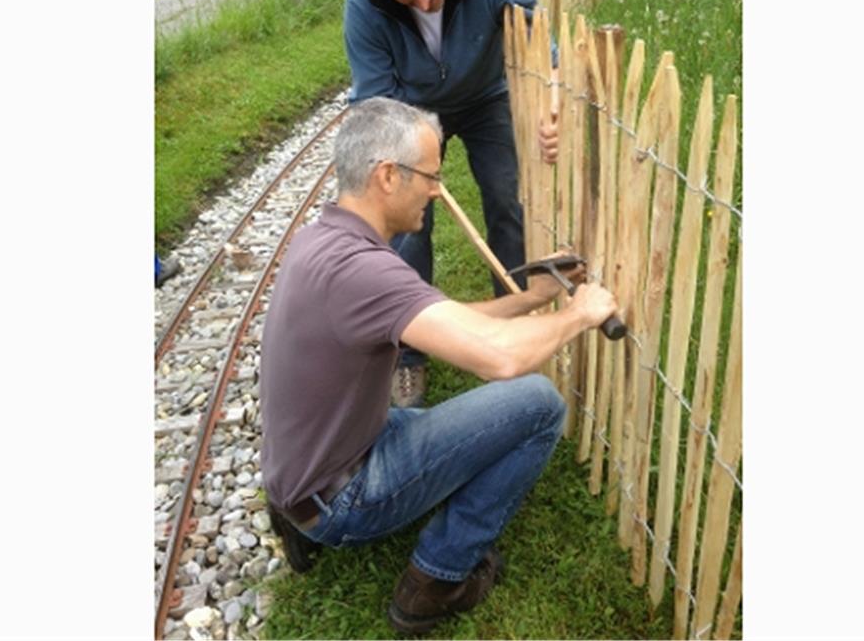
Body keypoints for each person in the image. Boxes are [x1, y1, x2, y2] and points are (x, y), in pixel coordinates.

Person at [260, 97, 617, 635]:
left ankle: (303, 518)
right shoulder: (366, 272)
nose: (436, 190)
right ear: (388, 176)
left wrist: (531, 298)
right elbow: (501, 357)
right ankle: (437, 580)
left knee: (467, 424)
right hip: (342, 497)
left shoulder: (325, 239)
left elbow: (450, 322)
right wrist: (579, 314)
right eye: (430, 176)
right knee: (538, 404)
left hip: (312, 468)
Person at [343, 0, 560, 408]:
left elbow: (545, 51)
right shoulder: (363, 5)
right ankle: (409, 353)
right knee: (406, 225)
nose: (422, 3)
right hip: (411, 109)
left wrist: (552, 107)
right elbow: (378, 106)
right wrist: (415, 167)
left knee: (507, 201)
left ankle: (514, 322)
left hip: (487, 98)